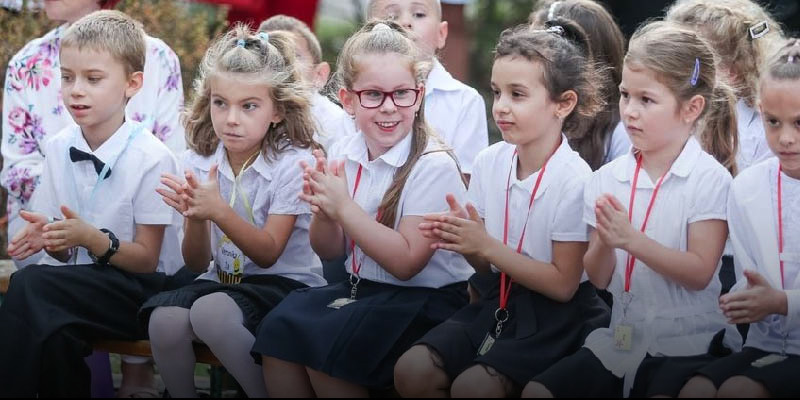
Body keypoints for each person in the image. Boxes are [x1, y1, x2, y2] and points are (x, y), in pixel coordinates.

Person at [252, 20, 472, 397]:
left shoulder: (432, 164)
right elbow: (330, 250)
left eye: (402, 93)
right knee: (279, 327)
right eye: (373, 95)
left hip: (425, 302)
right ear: (348, 100)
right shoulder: (344, 151)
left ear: (419, 96)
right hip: (365, 290)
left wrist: (343, 207)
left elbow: (405, 264)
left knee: (329, 347)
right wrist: (324, 209)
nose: (389, 107)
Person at [522, 21, 742, 398]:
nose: (630, 111)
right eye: (625, 95)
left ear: (692, 108)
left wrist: (631, 240)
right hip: (623, 336)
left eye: (647, 100)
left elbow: (699, 273)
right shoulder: (606, 179)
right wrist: (607, 243)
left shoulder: (710, 180)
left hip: (690, 342)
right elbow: (600, 277)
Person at [393, 22, 610, 397]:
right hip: (500, 299)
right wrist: (466, 243)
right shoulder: (490, 161)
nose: (502, 107)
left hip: (556, 319)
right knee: (411, 370)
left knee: (474, 388)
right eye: (496, 92)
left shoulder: (574, 179)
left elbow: (563, 285)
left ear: (564, 103)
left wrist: (487, 247)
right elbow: (488, 269)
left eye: (518, 94)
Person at [0, 10, 182, 397]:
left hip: (141, 293)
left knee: (30, 285)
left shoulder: (153, 157)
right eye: (67, 77)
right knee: (54, 331)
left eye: (93, 79)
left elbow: (149, 261)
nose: (75, 90)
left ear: (132, 84)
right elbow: (65, 255)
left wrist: (92, 238)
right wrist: (53, 238)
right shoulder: (58, 147)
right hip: (81, 287)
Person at [678, 38, 800, 399]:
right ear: (759, 110)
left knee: (739, 390)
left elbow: (775, 297)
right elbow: (750, 280)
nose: (786, 138)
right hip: (763, 347)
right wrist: (742, 302)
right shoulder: (747, 187)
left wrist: (781, 302)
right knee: (695, 389)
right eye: (773, 122)